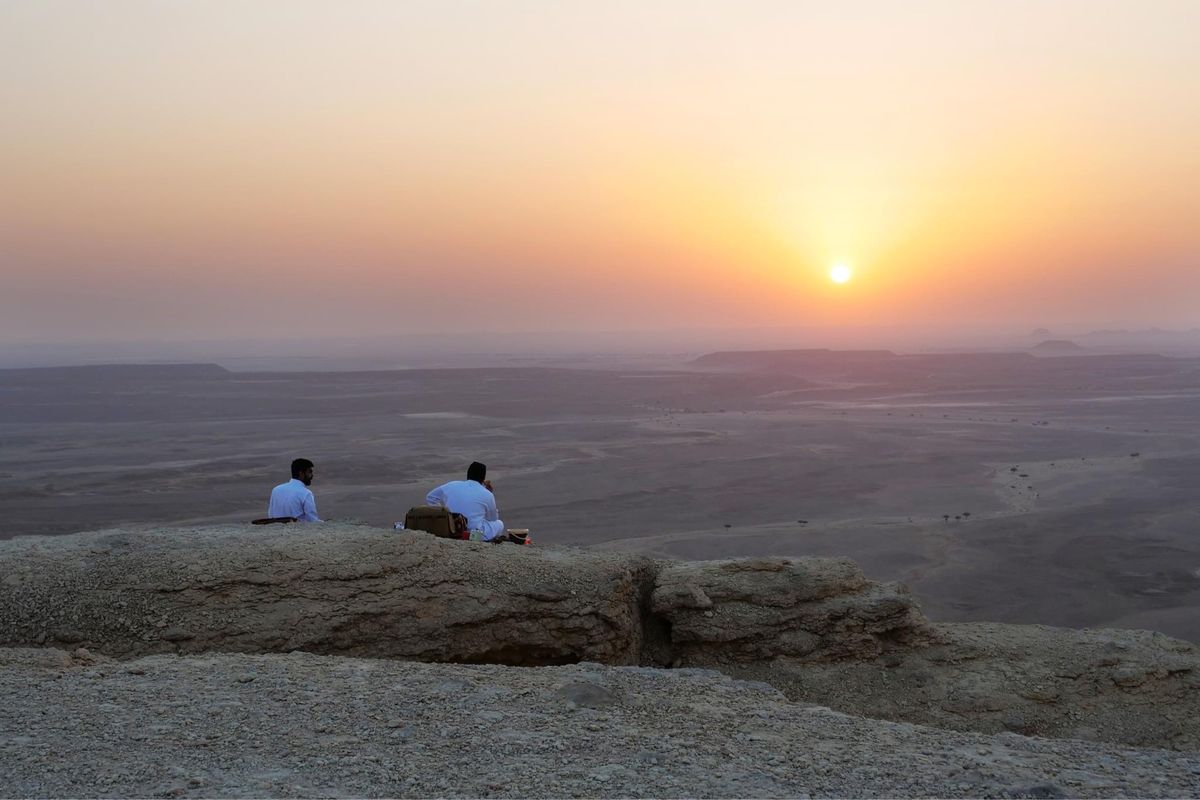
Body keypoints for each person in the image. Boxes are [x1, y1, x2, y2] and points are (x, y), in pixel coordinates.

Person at [426, 461, 504, 541]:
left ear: (468, 474)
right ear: (483, 479)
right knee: (499, 524)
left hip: (451, 529)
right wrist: (489, 493)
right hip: (473, 534)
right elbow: (492, 519)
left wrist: (443, 514)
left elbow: (430, 497)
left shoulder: (452, 485)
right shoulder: (487, 493)